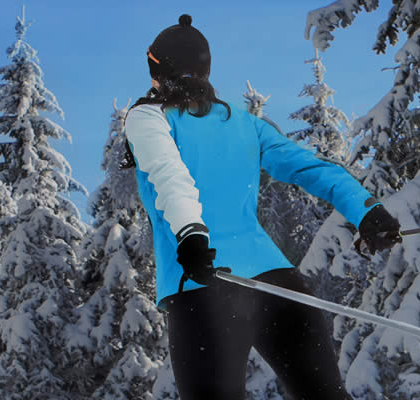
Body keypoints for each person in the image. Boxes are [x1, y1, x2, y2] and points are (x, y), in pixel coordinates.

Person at [125, 14, 401, 400]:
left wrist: (191, 236)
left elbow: (169, 174)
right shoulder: (243, 123)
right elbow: (307, 167)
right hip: (277, 285)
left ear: (157, 70)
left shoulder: (146, 117)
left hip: (203, 285)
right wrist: (366, 209)